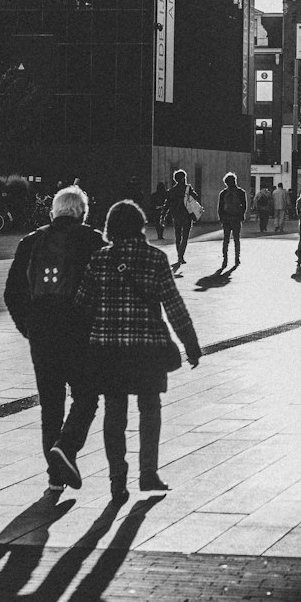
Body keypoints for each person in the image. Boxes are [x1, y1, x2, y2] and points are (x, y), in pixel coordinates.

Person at [73, 200, 200, 500]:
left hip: (108, 351)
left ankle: (117, 479)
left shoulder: (100, 259)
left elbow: (81, 308)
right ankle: (148, 473)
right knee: (150, 409)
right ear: (140, 225)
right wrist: (190, 344)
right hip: (147, 349)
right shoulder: (155, 259)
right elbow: (174, 305)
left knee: (114, 412)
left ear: (111, 227)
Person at [3, 184, 105, 497]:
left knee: (51, 404)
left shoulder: (31, 241)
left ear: (53, 211)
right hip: (78, 333)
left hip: (42, 334)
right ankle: (66, 446)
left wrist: (29, 328)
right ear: (83, 213)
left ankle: (55, 477)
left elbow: (12, 293)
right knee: (86, 397)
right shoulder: (93, 240)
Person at [165, 169, 195, 266]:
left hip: (176, 216)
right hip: (187, 215)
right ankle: (181, 255)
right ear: (183, 178)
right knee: (185, 237)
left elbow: (167, 204)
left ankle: (179, 255)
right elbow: (195, 197)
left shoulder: (171, 190)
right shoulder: (188, 188)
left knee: (178, 236)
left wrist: (163, 215)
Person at [218, 172, 248, 268]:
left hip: (226, 218)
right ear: (235, 181)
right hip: (236, 218)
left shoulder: (223, 193)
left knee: (226, 239)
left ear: (226, 183)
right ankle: (237, 258)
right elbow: (244, 206)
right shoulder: (241, 192)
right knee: (236, 239)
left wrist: (221, 218)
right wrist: (242, 215)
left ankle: (225, 258)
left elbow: (220, 207)